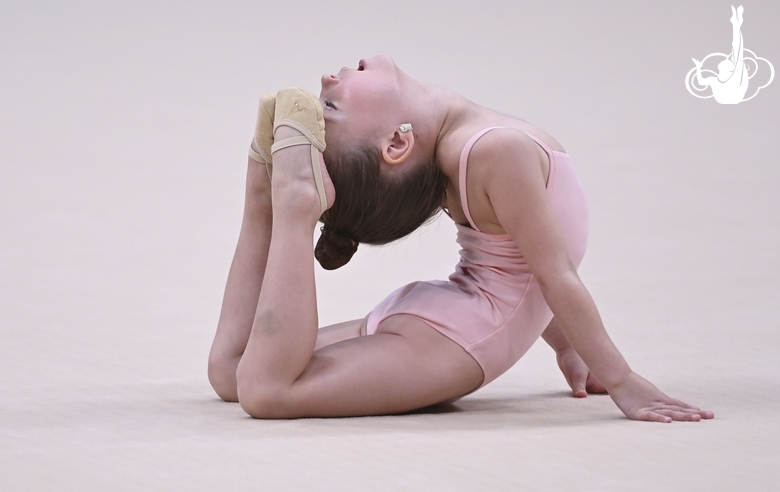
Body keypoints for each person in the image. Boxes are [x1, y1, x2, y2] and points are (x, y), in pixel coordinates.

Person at [207, 55, 715, 422]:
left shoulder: (463, 154)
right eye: (333, 108)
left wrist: (570, 349)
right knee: (264, 387)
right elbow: (550, 274)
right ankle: (286, 202)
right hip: (457, 335)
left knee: (238, 374)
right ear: (396, 143)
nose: (327, 78)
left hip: (443, 322)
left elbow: (520, 268)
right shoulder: (495, 149)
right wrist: (623, 381)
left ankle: (263, 195)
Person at [692, 5, 748, 104]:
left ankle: (736, 23)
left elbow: (737, 49)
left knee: (737, 50)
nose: (724, 59)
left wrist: (698, 68)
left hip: (733, 97)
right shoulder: (715, 80)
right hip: (729, 98)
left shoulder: (733, 77)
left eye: (727, 61)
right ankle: (736, 23)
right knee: (737, 51)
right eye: (728, 61)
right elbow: (701, 82)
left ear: (729, 69)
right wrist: (698, 67)